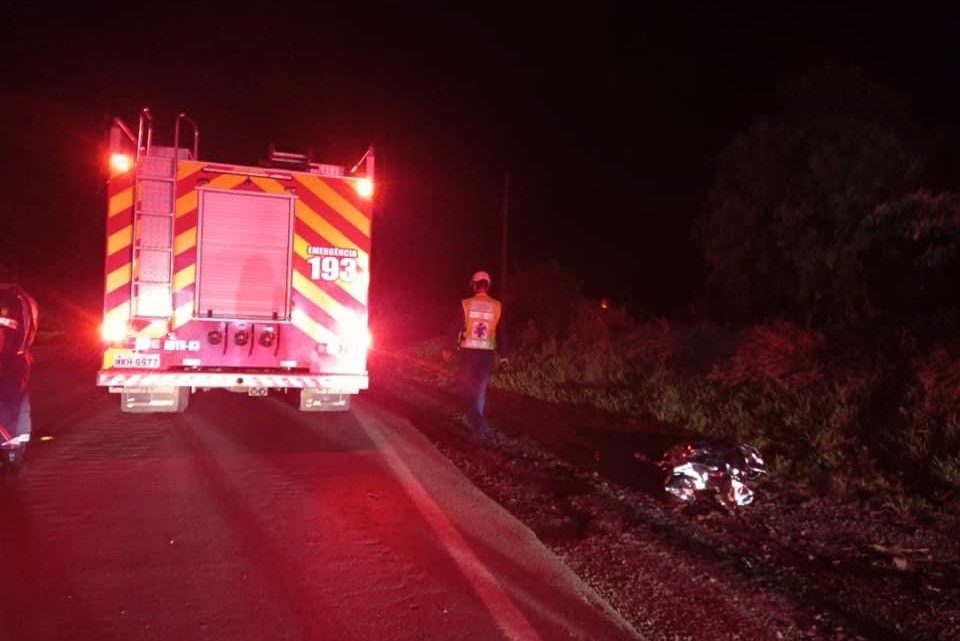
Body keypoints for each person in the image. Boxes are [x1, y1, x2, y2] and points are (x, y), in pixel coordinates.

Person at [442, 271, 508, 440]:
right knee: (479, 391)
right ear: (488, 285)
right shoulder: (496, 306)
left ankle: (481, 426)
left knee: (465, 389)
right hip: (487, 355)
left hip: (469, 354)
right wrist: (505, 355)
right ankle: (479, 429)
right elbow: (502, 333)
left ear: (474, 284)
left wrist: (448, 348)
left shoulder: (467, 304)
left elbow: (454, 326)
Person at [0, 283, 38, 468]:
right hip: (18, 359)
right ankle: (15, 447)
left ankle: (11, 446)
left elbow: (6, 335)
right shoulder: (20, 299)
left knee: (8, 401)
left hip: (9, 362)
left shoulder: (10, 301)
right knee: (18, 401)